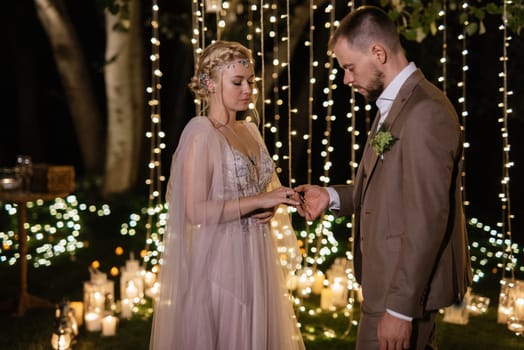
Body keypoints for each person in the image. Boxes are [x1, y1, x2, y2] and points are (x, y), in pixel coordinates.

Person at [294, 5, 472, 350]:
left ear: (378, 52)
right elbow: (386, 188)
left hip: (401, 294)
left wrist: (400, 310)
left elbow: (427, 217)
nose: (346, 79)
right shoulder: (393, 107)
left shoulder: (425, 112)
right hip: (383, 286)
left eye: (349, 67)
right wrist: (330, 196)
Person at [149, 40, 306, 350]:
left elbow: (259, 190)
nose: (248, 89)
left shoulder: (250, 130)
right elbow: (195, 210)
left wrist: (270, 205)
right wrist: (261, 201)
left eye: (250, 81)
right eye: (238, 82)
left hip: (257, 254)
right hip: (222, 258)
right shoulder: (200, 133)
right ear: (210, 83)